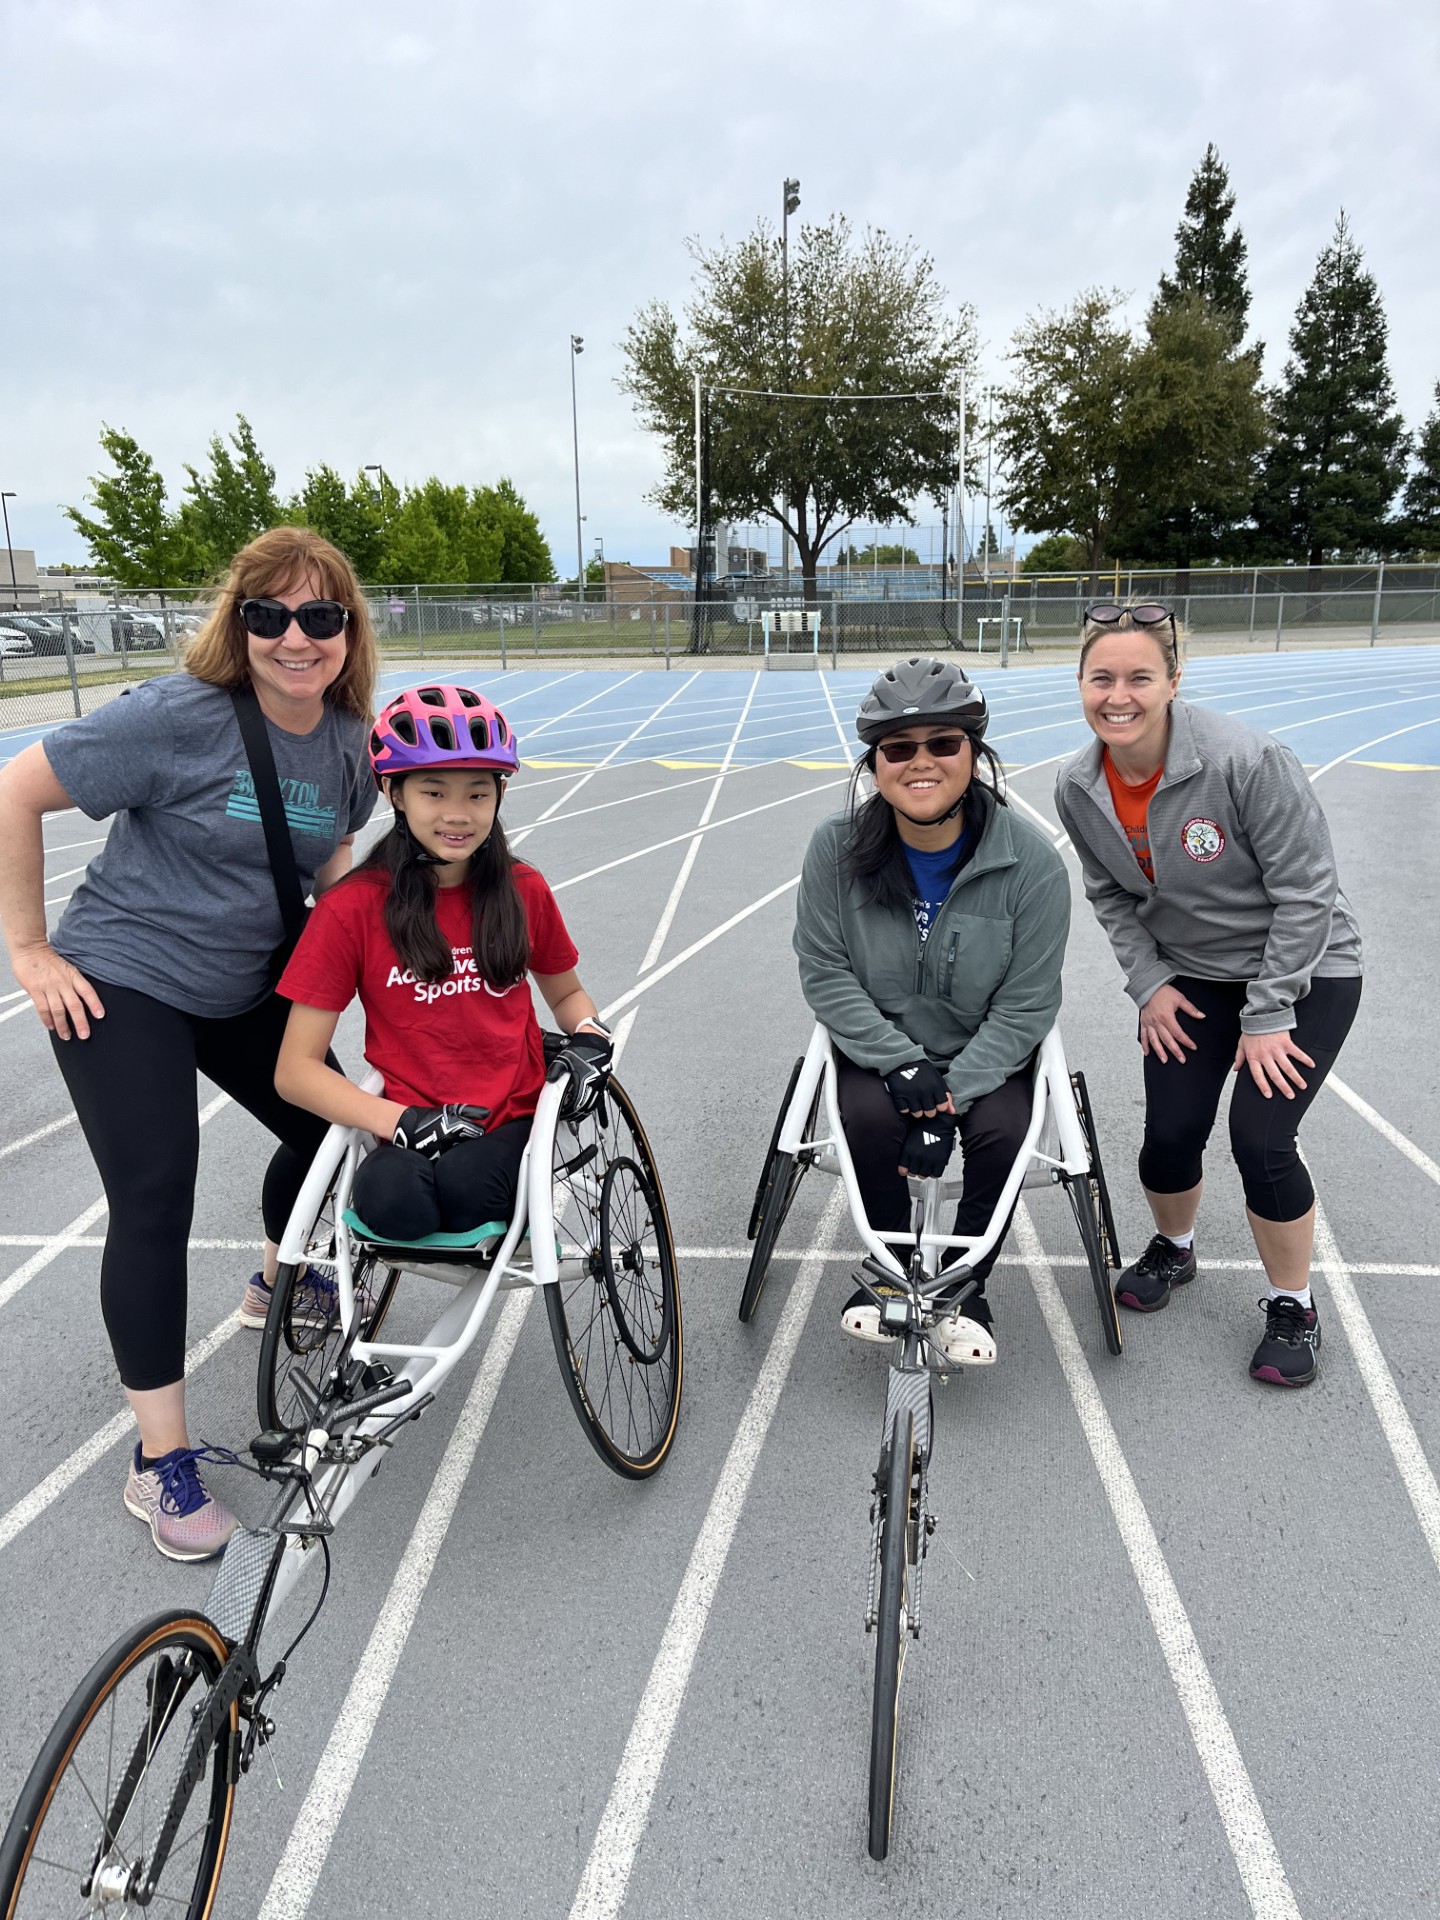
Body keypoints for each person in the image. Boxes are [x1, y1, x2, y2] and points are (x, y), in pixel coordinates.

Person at [0, 527, 379, 1561]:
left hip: (245, 978)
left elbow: (335, 861)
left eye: (318, 617)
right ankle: (158, 1461)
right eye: (270, 616)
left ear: (348, 630)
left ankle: (277, 1277)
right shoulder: (175, 717)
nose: (295, 638)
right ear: (239, 624)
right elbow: (15, 789)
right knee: (157, 1190)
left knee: (330, 1129)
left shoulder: (350, 740)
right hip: (127, 978)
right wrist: (30, 948)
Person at [1054, 602, 1363, 1387]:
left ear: (1173, 681)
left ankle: (1293, 1304)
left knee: (1260, 1139)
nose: (1117, 695)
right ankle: (1176, 1248)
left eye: (1138, 678)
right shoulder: (1078, 784)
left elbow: (1307, 895)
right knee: (1168, 1138)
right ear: (1081, 683)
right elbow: (1110, 896)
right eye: (1101, 678)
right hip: (1192, 975)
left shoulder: (1247, 761)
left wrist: (1267, 1013)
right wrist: (1149, 982)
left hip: (1304, 970)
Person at [793, 657, 1071, 1364]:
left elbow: (1027, 1003)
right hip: (880, 1047)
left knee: (1006, 1133)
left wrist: (950, 1099)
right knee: (866, 1118)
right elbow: (826, 973)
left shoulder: (1033, 867)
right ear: (876, 763)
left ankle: (961, 1287)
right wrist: (900, 1065)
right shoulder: (833, 850)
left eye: (943, 743)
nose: (921, 763)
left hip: (986, 1052)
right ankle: (889, 1277)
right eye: (898, 748)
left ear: (973, 754)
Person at [274, 684, 613, 1253]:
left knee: (470, 1191)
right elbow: (295, 1071)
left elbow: (568, 995)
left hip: (509, 1117)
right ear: (394, 792)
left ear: (499, 796)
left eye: (478, 795)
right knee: (389, 1203)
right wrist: (400, 1121)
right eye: (434, 792)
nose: (458, 815)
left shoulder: (523, 890)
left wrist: (590, 1035)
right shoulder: (350, 909)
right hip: (413, 1121)